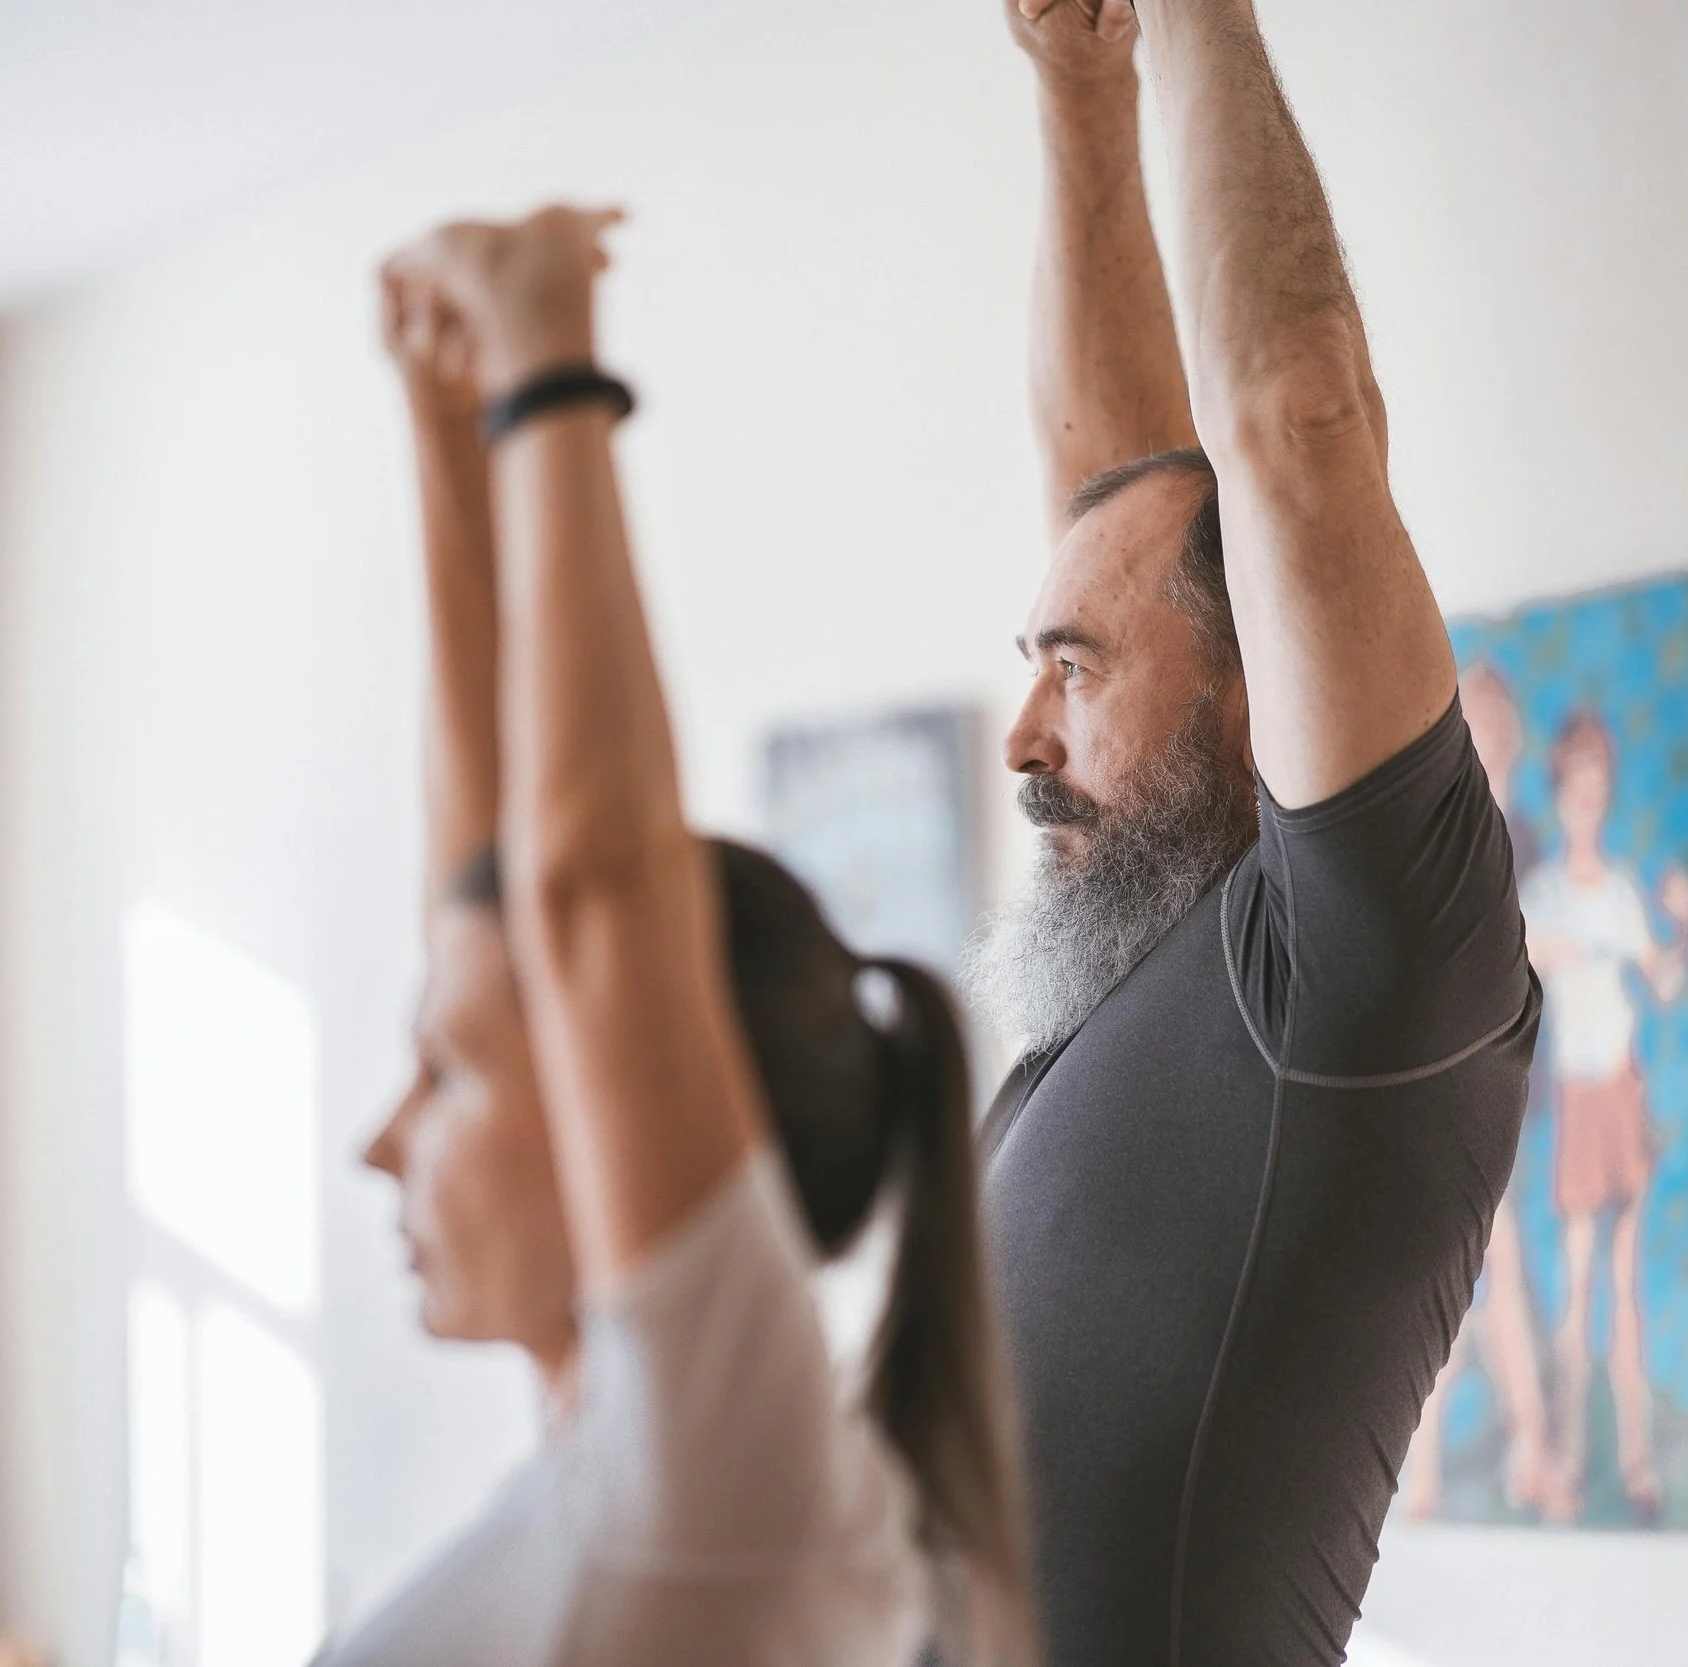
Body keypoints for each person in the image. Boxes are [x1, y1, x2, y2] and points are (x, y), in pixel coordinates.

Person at [321, 209, 1029, 1667]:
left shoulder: (731, 1490)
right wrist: (447, 432)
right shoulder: (636, 1478)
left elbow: (589, 893)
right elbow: (506, 893)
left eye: (444, 1076)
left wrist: (550, 377)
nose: (381, 1141)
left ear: (619, 1093)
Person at [968, 2, 1538, 1659]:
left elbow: (1290, 418)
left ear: (1256, 682)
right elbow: (1114, 474)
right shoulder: (1143, 963)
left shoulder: (1367, 974)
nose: (1024, 733)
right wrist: (1082, 84)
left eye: (1074, 669)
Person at [1520, 710, 1688, 1520]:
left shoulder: (1622, 891)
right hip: (1578, 1096)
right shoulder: (1541, 896)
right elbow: (1527, 961)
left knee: (1623, 1285)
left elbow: (1663, 982)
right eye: (1575, 789)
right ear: (1559, 796)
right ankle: (1566, 1456)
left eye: (1598, 790)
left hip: (1621, 1090)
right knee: (1578, 1284)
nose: (1586, 803)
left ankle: (1635, 1464)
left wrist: (1683, 923)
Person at [1401, 663, 1563, 1522]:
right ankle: (1518, 1449)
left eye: (1502, 727)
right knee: (1481, 1275)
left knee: (1487, 1277)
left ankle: (1497, 1456)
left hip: (1505, 1087)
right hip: (1452, 1097)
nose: (1491, 740)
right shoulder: (1438, 846)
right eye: (1480, 725)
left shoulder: (1525, 839)